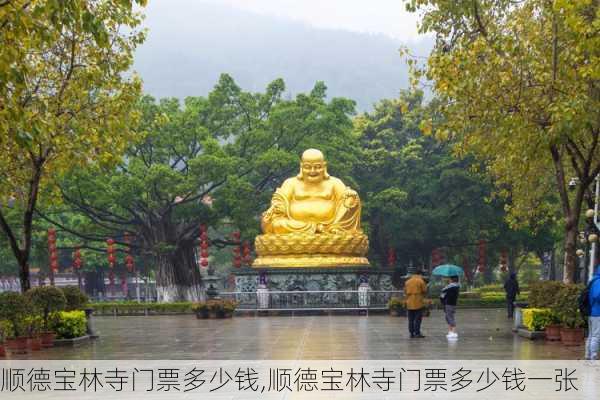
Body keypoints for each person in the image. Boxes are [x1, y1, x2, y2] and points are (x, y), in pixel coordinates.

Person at [404, 269, 428, 338]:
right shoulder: (421, 281)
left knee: (410, 319)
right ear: (420, 274)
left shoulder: (407, 281)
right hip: (418, 301)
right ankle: (417, 333)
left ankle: (411, 333)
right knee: (418, 319)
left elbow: (405, 291)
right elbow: (424, 290)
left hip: (409, 301)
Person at [586, 266, 600, 360]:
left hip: (592, 312)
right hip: (597, 312)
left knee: (591, 335)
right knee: (596, 336)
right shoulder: (598, 281)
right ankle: (593, 358)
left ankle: (588, 356)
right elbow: (597, 295)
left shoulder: (593, 280)